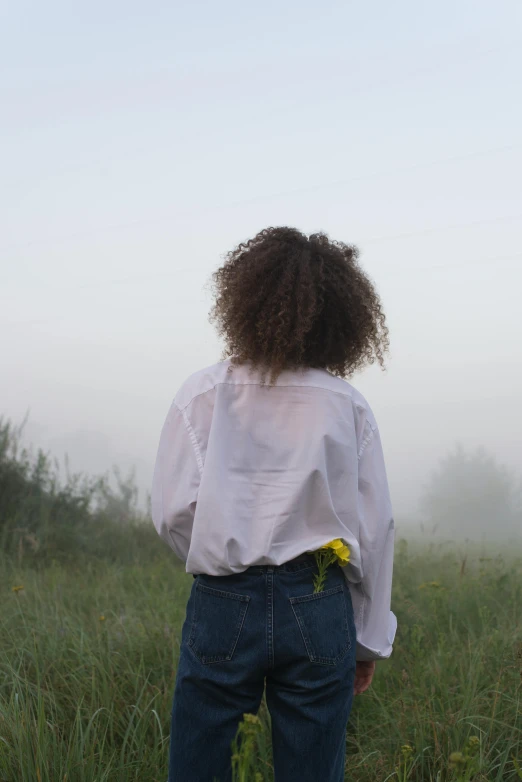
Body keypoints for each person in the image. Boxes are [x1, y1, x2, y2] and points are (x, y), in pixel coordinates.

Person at [151, 226, 397, 782]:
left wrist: (223, 558)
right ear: (340, 314)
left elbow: (171, 512)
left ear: (244, 299)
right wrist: (367, 642)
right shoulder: (348, 406)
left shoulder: (203, 393)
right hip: (318, 600)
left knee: (200, 766)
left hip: (222, 599)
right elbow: (376, 530)